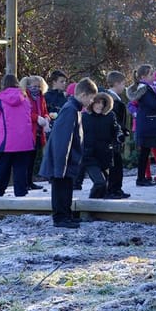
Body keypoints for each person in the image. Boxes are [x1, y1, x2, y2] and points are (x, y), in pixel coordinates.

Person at [39, 77, 98, 228]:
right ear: (83, 95)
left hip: (68, 159)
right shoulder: (70, 110)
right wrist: (61, 164)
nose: (91, 102)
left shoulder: (74, 109)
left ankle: (66, 214)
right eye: (91, 98)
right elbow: (63, 139)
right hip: (62, 159)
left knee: (66, 187)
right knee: (60, 187)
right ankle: (60, 217)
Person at [0, 74, 35, 197]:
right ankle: (21, 192)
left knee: (3, 168)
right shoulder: (25, 99)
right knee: (21, 169)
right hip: (24, 140)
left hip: (5, 140)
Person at [81, 92, 123, 199]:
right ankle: (91, 203)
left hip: (104, 155)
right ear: (92, 103)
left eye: (102, 103)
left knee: (104, 186)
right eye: (97, 102)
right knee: (100, 182)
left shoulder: (109, 116)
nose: (100, 105)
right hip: (89, 156)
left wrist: (119, 135)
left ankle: (96, 204)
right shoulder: (84, 117)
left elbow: (116, 129)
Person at [128, 64, 156, 187]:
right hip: (147, 124)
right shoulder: (144, 89)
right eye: (151, 74)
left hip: (149, 124)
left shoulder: (149, 88)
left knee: (146, 152)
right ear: (143, 77)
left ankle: (142, 177)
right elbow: (153, 104)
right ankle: (141, 178)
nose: (153, 76)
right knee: (144, 153)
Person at [103, 71, 131, 199]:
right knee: (115, 165)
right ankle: (113, 189)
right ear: (116, 83)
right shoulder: (112, 101)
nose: (124, 87)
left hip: (114, 137)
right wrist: (121, 131)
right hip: (113, 138)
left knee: (117, 164)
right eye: (123, 84)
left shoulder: (113, 99)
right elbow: (115, 120)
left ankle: (116, 188)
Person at [21, 75, 50, 191]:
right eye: (34, 86)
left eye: (38, 86)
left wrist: (46, 118)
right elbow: (25, 113)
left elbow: (45, 111)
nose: (36, 89)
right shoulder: (25, 96)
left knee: (32, 158)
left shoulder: (41, 97)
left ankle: (29, 181)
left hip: (38, 131)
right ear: (28, 86)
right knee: (26, 159)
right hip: (29, 131)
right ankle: (25, 182)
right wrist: (36, 117)